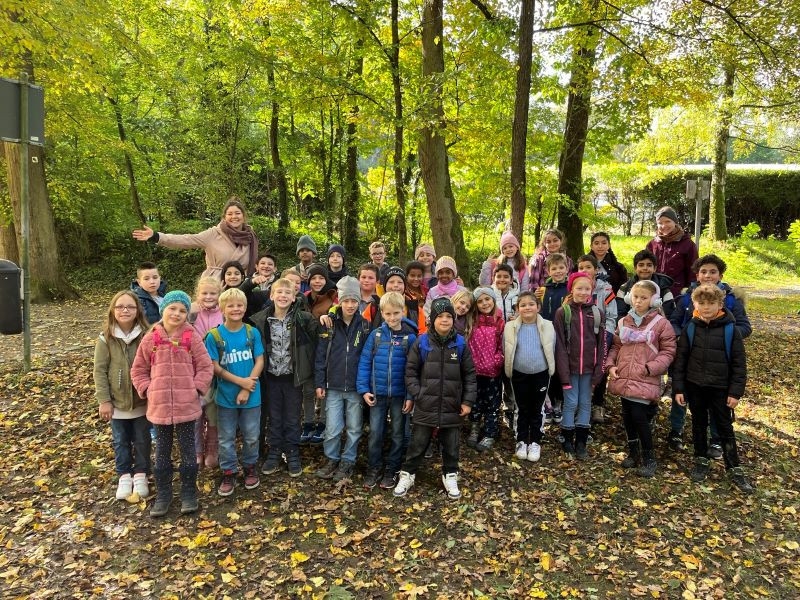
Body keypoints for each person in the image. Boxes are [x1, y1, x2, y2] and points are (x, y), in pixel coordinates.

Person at [130, 291, 214, 517]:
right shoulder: (151, 338)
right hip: (159, 407)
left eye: (182, 310)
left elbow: (205, 366)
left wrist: (196, 388)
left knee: (188, 451)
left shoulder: (191, 337)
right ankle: (164, 494)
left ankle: (188, 492)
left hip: (186, 406)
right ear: (163, 310)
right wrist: (148, 389)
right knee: (162, 452)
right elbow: (138, 369)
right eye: (172, 308)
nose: (176, 314)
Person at [666, 254, 752, 454]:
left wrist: (724, 335)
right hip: (690, 355)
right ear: (697, 275)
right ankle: (676, 430)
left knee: (716, 401)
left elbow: (745, 326)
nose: (708, 275)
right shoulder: (687, 298)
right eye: (703, 272)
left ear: (720, 275)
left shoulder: (731, 300)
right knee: (681, 392)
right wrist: (682, 335)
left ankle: (716, 438)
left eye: (713, 272)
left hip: (718, 360)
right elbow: (674, 321)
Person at [394, 298, 477, 500]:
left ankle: (450, 474)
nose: (445, 320)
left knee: (451, 445)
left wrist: (467, 401)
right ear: (432, 319)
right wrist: (418, 393)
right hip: (426, 405)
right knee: (418, 443)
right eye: (440, 316)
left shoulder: (460, 344)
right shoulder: (422, 342)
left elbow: (469, 375)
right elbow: (411, 371)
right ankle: (408, 474)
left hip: (452, 405)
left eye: (449, 316)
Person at [673, 285, 753, 493]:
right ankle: (700, 459)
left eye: (711, 303)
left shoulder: (730, 330)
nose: (706, 307)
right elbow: (681, 361)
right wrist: (679, 388)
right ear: (694, 304)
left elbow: (739, 364)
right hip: (695, 386)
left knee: (725, 427)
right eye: (701, 303)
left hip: (720, 388)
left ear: (720, 304)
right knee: (698, 424)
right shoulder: (690, 328)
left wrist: (735, 392)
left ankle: (733, 466)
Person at [605, 280, 676, 478]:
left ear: (653, 300)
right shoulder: (624, 321)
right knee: (627, 416)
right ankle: (633, 452)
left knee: (639, 417)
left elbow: (668, 351)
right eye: (635, 297)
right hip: (624, 377)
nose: (638, 301)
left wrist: (651, 368)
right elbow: (616, 346)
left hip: (644, 377)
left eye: (643, 298)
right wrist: (611, 365)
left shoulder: (661, 324)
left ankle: (649, 457)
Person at [250, 278, 319, 477]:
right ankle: (274, 450)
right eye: (279, 292)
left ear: (294, 297)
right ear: (272, 295)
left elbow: (318, 338)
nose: (283, 296)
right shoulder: (260, 320)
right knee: (274, 415)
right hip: (270, 376)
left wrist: (326, 318)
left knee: (292, 415)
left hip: (293, 377)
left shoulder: (303, 319)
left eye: (287, 293)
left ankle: (292, 450)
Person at [205, 288, 264, 497]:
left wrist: (247, 388)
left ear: (245, 308)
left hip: (252, 395)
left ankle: (250, 466)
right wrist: (241, 383)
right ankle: (228, 471)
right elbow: (215, 367)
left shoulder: (252, 332)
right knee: (226, 437)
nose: (235, 309)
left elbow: (259, 361)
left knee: (251, 435)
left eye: (239, 305)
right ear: (222, 309)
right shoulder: (214, 336)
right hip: (225, 397)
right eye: (230, 306)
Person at [357, 292, 419, 490]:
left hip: (400, 395)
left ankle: (392, 468)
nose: (392, 318)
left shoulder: (410, 337)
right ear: (382, 314)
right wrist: (364, 389)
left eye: (396, 313)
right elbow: (365, 362)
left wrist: (410, 396)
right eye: (388, 314)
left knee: (398, 434)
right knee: (375, 433)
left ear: (403, 312)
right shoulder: (375, 336)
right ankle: (374, 467)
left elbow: (413, 369)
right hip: (378, 394)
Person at [93, 291, 151, 501]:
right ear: (113, 310)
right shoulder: (105, 339)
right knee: (120, 440)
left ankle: (141, 474)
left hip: (142, 400)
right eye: (120, 306)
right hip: (117, 401)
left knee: (142, 439)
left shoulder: (147, 335)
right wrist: (104, 400)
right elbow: (100, 371)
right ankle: (124, 475)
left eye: (130, 307)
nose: (125, 310)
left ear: (137, 310)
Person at [314, 277, 369, 482]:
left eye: (354, 301)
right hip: (333, 385)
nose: (350, 305)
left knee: (354, 427)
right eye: (346, 301)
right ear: (339, 301)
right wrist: (320, 382)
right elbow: (320, 355)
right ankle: (332, 458)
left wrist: (365, 385)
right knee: (332, 428)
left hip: (355, 387)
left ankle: (348, 460)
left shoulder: (364, 326)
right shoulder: (328, 324)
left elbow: (367, 357)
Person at [132, 197, 258, 279]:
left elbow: (255, 263)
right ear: (224, 217)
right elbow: (186, 240)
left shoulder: (250, 237)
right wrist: (156, 236)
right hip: (215, 286)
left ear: (243, 216)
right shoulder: (213, 234)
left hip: (240, 286)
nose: (234, 217)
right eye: (230, 214)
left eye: (237, 213)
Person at [553, 273, 605, 460]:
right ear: (571, 289)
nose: (583, 292)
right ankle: (567, 438)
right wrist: (563, 374)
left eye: (587, 289)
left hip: (590, 370)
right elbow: (559, 345)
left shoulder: (597, 313)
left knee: (585, 403)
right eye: (579, 288)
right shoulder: (563, 312)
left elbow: (601, 345)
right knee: (571, 403)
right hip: (570, 369)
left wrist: (599, 371)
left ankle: (581, 441)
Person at [504, 291, 555, 463]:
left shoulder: (548, 326)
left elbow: (552, 347)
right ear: (517, 309)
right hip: (519, 373)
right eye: (523, 305)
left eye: (531, 304)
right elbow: (507, 349)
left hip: (541, 373)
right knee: (521, 407)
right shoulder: (510, 327)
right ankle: (521, 439)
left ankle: (535, 441)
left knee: (537, 407)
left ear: (538, 307)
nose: (527, 307)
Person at [576, 254, 617, 425]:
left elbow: (612, 315)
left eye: (588, 267)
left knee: (600, 368)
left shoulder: (605, 289)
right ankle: (579, 403)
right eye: (581, 268)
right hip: (580, 337)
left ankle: (598, 403)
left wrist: (606, 334)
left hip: (601, 335)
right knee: (580, 369)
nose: (584, 270)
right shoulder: (575, 288)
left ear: (596, 269)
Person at [189, 277, 224, 469]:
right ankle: (196, 450)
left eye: (213, 293)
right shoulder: (192, 312)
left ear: (219, 294)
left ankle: (212, 449)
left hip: (216, 368)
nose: (209, 297)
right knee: (195, 413)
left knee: (213, 412)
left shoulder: (223, 313)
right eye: (204, 293)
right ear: (198, 294)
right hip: (193, 369)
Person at [465, 287, 505, 452]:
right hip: (474, 372)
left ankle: (490, 432)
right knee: (475, 402)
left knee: (492, 404)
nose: (484, 303)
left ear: (493, 300)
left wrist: (497, 361)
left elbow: (503, 345)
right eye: (480, 301)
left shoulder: (500, 321)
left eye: (487, 299)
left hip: (492, 372)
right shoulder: (472, 320)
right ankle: (474, 428)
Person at [536, 253, 570, 424]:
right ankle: (547, 403)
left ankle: (558, 403)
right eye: (554, 268)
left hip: (564, 335)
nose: (558, 271)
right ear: (548, 271)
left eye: (561, 267)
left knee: (560, 369)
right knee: (547, 368)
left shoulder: (570, 289)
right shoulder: (543, 290)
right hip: (546, 334)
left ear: (567, 269)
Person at [646, 206, 698, 297]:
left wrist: (690, 291)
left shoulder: (688, 244)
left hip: (677, 293)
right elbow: (645, 266)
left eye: (668, 221)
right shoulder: (652, 244)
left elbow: (693, 271)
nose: (664, 226)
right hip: (653, 291)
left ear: (675, 222)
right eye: (660, 223)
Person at [616, 250, 675, 319]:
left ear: (654, 268)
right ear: (635, 268)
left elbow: (670, 315)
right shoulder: (624, 288)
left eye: (649, 265)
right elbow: (620, 314)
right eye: (641, 265)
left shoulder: (664, 289)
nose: (645, 268)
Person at [131, 261, 167, 326]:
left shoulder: (166, 297)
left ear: (160, 278)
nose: (152, 282)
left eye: (155, 277)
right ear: (139, 282)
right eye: (146, 279)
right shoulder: (135, 300)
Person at [404, 261, 428, 334]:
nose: (416, 279)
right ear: (407, 276)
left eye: (419, 276)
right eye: (412, 276)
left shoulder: (426, 291)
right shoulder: (403, 292)